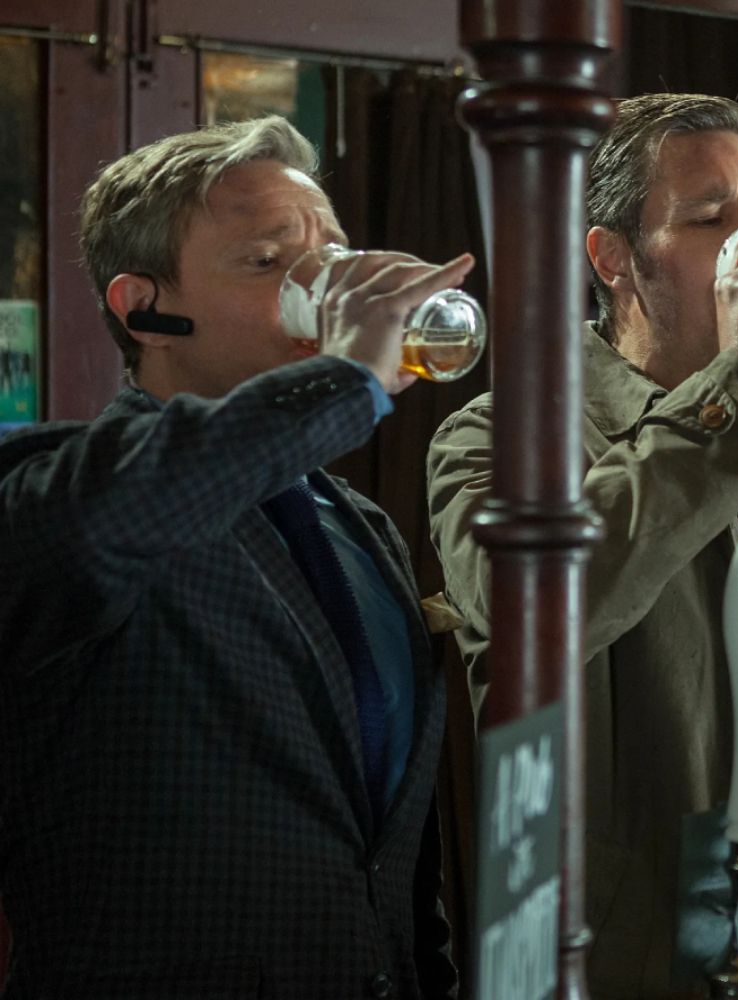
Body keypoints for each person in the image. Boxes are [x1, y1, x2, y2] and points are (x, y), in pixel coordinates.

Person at [427, 93, 738, 995]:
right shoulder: (505, 437)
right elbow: (530, 611)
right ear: (613, 260)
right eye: (713, 219)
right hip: (644, 952)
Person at [0, 116, 462, 996]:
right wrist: (355, 375)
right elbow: (126, 513)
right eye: (269, 261)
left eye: (332, 253)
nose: (326, 285)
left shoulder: (358, 525)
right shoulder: (55, 490)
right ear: (145, 308)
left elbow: (393, 851)